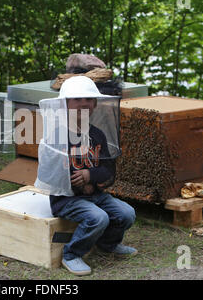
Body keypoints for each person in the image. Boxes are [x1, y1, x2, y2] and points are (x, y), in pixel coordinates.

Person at [35, 76, 136, 276]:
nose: (83, 103)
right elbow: (49, 173)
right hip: (66, 198)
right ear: (65, 104)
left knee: (127, 213)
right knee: (98, 217)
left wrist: (90, 175)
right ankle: (71, 254)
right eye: (77, 99)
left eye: (88, 99)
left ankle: (107, 244)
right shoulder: (56, 136)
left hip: (96, 194)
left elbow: (108, 168)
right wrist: (78, 183)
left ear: (95, 104)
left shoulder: (98, 135)